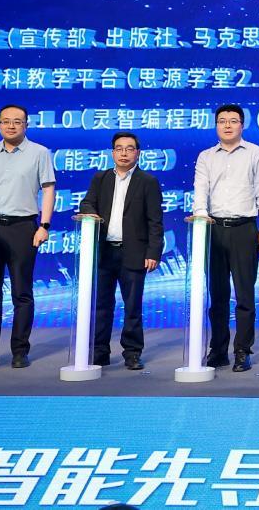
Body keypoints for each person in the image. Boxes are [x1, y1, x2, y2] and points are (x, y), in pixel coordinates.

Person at [0, 103, 56, 369]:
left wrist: (44, 225)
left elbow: (48, 190)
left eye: (17, 121)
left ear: (26, 125)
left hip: (23, 227)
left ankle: (20, 350)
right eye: (5, 121)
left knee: (22, 292)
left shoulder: (39, 152)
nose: (11, 126)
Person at [192, 103, 259, 372]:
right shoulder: (206, 156)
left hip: (244, 229)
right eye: (222, 121)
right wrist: (201, 218)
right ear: (216, 125)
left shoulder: (255, 153)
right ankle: (218, 349)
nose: (227, 125)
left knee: (244, 295)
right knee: (217, 295)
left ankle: (242, 351)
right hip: (214, 229)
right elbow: (200, 190)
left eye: (233, 121)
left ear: (242, 125)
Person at [78, 131, 165, 371]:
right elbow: (87, 202)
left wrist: (153, 252)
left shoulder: (147, 181)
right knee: (101, 305)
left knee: (132, 306)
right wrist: (90, 213)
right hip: (104, 252)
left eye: (129, 148)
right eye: (119, 148)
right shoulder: (101, 178)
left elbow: (155, 221)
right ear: (112, 152)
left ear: (138, 153)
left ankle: (132, 353)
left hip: (134, 252)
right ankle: (99, 352)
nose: (124, 153)